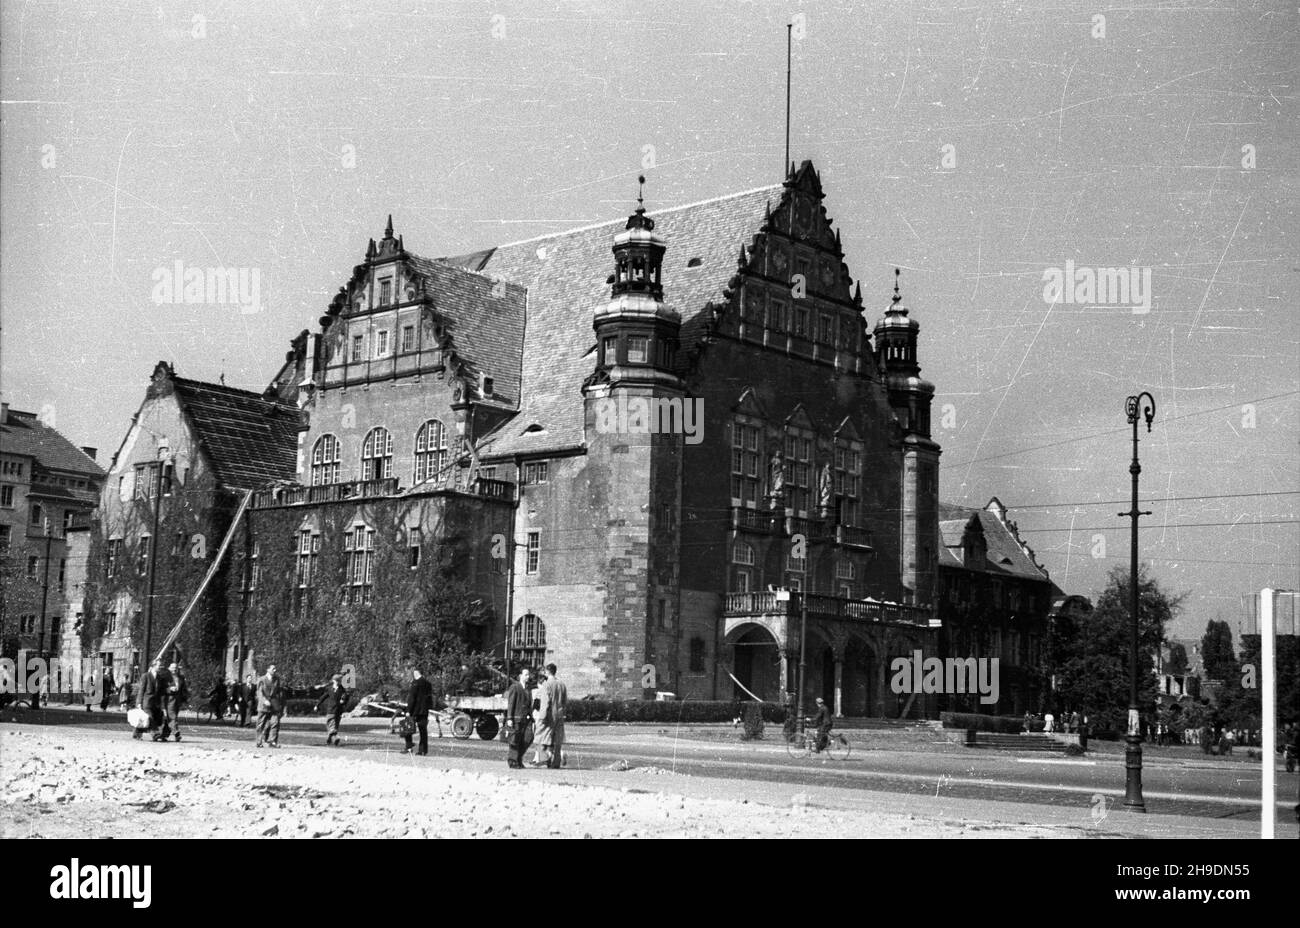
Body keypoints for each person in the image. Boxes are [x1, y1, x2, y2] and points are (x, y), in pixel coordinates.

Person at [504, 668, 532, 769]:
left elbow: (529, 704)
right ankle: (513, 761)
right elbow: (511, 703)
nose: (528, 677)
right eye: (526, 675)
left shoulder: (528, 689)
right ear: (520, 675)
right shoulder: (515, 687)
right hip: (516, 718)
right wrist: (509, 718)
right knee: (514, 740)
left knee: (528, 738)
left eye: (528, 675)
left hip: (526, 719)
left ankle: (518, 758)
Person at [402, 668, 432, 755]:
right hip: (424, 710)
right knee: (423, 731)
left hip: (415, 710)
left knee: (407, 727)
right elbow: (429, 698)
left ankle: (408, 746)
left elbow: (412, 698)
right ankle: (423, 750)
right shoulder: (428, 684)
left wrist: (408, 710)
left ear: (416, 673)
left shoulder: (415, 683)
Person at [543, 663, 568, 768]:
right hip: (560, 714)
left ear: (547, 672)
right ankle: (556, 761)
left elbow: (545, 702)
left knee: (546, 739)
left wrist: (543, 716)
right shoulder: (561, 684)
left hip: (550, 715)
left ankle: (548, 759)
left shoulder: (547, 684)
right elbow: (564, 701)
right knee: (558, 740)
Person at [255, 664, 284, 748]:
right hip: (264, 706)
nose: (275, 670)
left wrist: (280, 704)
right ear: (268, 669)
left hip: (274, 705)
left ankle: (273, 741)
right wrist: (264, 701)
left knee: (275, 722)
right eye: (273, 669)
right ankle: (259, 741)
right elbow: (259, 692)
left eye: (275, 669)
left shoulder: (277, 680)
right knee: (261, 724)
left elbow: (278, 692)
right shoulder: (262, 679)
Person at [137, 659, 167, 741]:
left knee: (154, 719)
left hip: (156, 703)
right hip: (146, 702)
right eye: (159, 665)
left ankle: (136, 733)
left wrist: (163, 706)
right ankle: (155, 734)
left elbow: (162, 693)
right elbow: (141, 690)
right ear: (153, 666)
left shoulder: (160, 678)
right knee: (150, 718)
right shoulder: (145, 676)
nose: (161, 667)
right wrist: (139, 702)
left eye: (161, 665)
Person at [317, 673, 349, 746]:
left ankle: (330, 738)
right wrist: (317, 705)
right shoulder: (329, 689)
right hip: (331, 709)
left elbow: (346, 698)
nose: (339, 682)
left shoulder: (342, 689)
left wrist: (344, 701)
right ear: (333, 681)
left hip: (339, 710)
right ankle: (335, 738)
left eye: (339, 681)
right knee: (331, 724)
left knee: (335, 726)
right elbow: (323, 697)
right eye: (337, 681)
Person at [529, 669, 550, 767]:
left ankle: (540, 758)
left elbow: (536, 706)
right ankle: (536, 757)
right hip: (541, 717)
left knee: (538, 739)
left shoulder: (539, 691)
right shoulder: (545, 690)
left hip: (538, 718)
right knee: (539, 739)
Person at [164, 662, 188, 741]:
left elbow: (184, 689)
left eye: (176, 668)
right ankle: (177, 733)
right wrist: (169, 689)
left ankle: (164, 735)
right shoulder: (166, 677)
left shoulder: (181, 677)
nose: (174, 669)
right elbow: (162, 688)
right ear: (169, 669)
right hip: (169, 699)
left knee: (172, 718)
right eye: (173, 668)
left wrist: (185, 700)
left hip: (178, 700)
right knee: (172, 717)